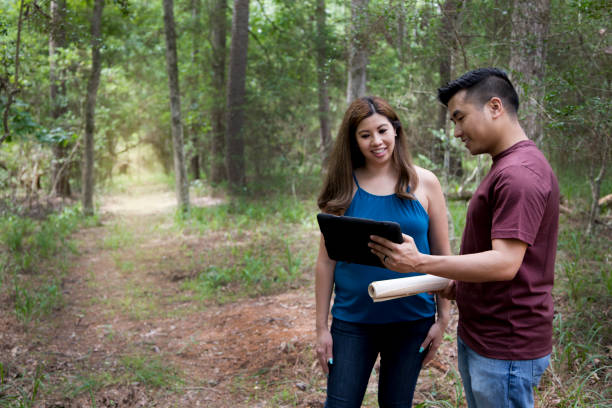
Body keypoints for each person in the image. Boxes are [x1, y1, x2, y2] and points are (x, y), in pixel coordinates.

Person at [368, 68, 560, 408]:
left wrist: (420, 261)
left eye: (460, 118)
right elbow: (503, 260)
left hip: (505, 346)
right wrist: (458, 286)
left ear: (495, 107)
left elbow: (505, 263)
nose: (456, 132)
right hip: (486, 337)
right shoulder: (506, 166)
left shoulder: (519, 174)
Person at [315, 96, 451, 407]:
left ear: (396, 131)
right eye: (365, 135)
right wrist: (321, 328)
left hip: (412, 320)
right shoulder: (342, 186)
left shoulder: (425, 183)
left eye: (382, 130)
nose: (376, 141)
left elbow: (444, 256)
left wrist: (443, 320)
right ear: (354, 140)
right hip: (353, 322)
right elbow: (325, 262)